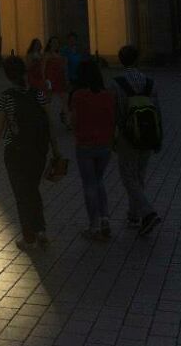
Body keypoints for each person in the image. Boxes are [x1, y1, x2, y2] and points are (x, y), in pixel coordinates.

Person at [0, 55, 59, 250]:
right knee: (33, 191)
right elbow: (49, 122)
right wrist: (56, 149)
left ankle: (28, 237)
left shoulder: (6, 97)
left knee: (22, 194)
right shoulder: (38, 94)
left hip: (15, 152)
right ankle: (41, 231)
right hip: (38, 150)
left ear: (8, 76)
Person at [109, 45, 161, 236]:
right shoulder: (150, 82)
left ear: (121, 60)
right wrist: (159, 138)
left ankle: (147, 212)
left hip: (127, 136)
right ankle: (133, 215)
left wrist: (112, 137)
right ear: (137, 60)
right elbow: (157, 110)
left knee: (128, 176)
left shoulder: (116, 83)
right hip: (148, 135)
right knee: (139, 175)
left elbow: (114, 114)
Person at [70, 59, 115, 241]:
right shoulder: (108, 94)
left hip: (85, 144)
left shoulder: (78, 95)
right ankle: (105, 219)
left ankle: (93, 226)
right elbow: (112, 118)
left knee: (89, 184)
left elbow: (74, 120)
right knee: (99, 181)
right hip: (105, 145)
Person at [44, 37, 68, 125]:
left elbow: (63, 68)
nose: (55, 44)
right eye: (53, 42)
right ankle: (46, 119)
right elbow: (43, 69)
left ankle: (67, 120)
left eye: (57, 43)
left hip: (60, 79)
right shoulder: (47, 55)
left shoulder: (60, 55)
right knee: (48, 100)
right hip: (50, 80)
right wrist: (45, 81)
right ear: (50, 44)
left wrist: (66, 79)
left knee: (64, 99)